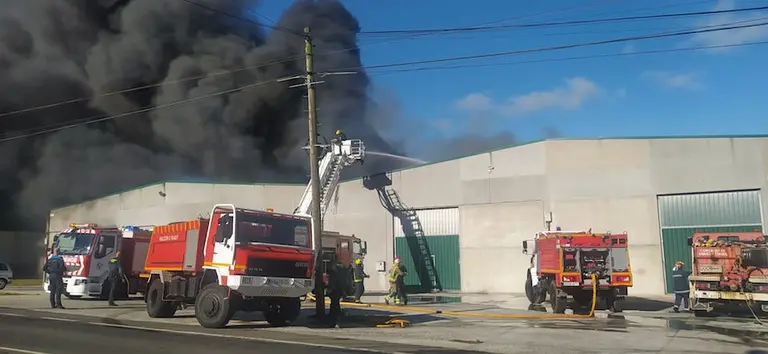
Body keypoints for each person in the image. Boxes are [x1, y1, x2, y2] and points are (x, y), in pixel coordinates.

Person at [326, 258, 345, 328]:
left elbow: (333, 282)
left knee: (334, 306)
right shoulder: (338, 272)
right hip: (336, 291)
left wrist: (330, 289)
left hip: (335, 291)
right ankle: (335, 321)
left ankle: (333, 322)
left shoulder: (333, 272)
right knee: (335, 305)